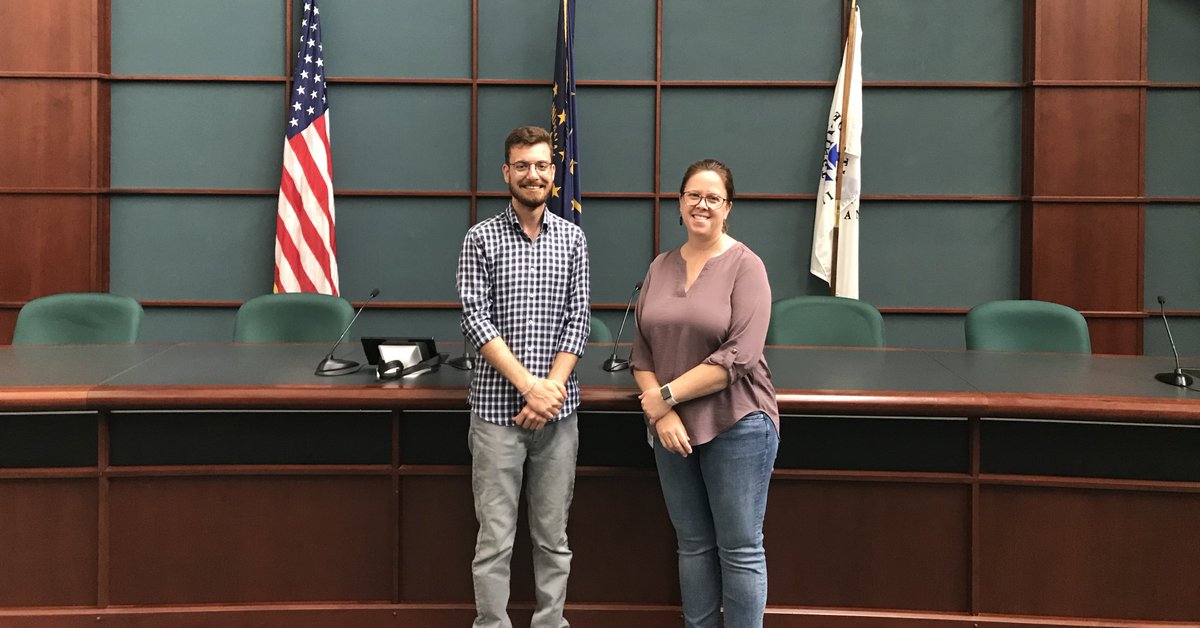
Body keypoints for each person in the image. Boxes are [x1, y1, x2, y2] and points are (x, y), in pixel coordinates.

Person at [630, 159, 780, 628]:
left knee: (739, 549)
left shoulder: (746, 266)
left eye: (713, 198)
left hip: (738, 423)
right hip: (672, 431)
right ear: (679, 203)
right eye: (693, 195)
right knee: (693, 546)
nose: (702, 204)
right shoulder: (660, 266)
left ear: (727, 208)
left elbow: (740, 356)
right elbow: (641, 354)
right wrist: (662, 413)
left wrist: (666, 397)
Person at [456, 125, 591, 628]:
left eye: (541, 165)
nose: (532, 174)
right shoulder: (480, 239)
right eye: (522, 166)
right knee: (494, 539)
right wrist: (528, 386)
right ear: (506, 173)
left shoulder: (573, 238)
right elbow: (475, 318)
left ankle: (550, 623)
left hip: (558, 418)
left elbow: (578, 320)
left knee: (552, 536)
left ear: (553, 174)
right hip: (495, 417)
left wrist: (548, 391)